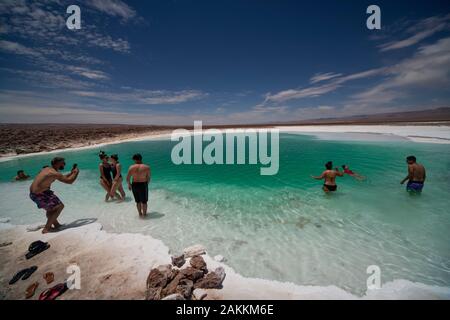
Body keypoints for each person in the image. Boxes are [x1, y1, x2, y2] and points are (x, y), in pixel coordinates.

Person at [29, 157, 79, 234]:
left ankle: (56, 225)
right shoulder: (54, 173)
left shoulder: (47, 169)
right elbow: (69, 181)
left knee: (51, 209)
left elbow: (62, 177)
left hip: (36, 193)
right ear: (57, 163)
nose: (64, 164)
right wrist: (76, 173)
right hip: (39, 194)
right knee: (60, 206)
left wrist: (71, 173)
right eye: (63, 163)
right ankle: (46, 229)